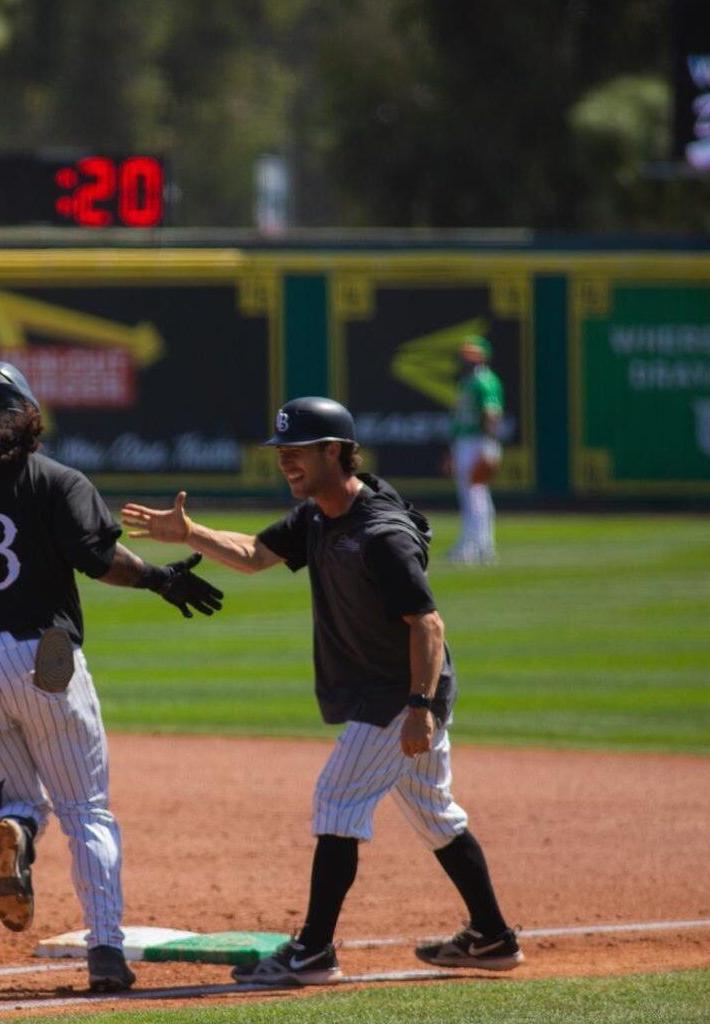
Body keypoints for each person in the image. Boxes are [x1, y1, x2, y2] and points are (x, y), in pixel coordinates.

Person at [119, 396, 522, 987]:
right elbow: (256, 555)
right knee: (435, 814)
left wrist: (419, 708)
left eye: (297, 452)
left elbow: (428, 625)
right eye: (281, 453)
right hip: (389, 690)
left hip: (401, 691)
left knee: (337, 799)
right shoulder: (318, 516)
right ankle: (492, 937)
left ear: (334, 452)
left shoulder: (381, 534)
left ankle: (312, 951)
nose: (285, 462)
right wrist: (191, 533)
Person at [0, 361, 224, 994]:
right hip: (45, 653)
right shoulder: (54, 478)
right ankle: (107, 954)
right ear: (28, 413)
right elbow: (99, 558)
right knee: (86, 807)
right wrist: (159, 577)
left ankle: (16, 829)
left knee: (14, 800)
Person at [448, 334, 504, 565]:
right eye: (465, 354)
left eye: (470, 355)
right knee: (474, 495)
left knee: (475, 495)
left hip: (478, 440)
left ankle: (476, 546)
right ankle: (478, 544)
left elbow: (492, 414)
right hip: (465, 440)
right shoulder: (466, 381)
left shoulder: (485, 380)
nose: (466, 359)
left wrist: (488, 445)